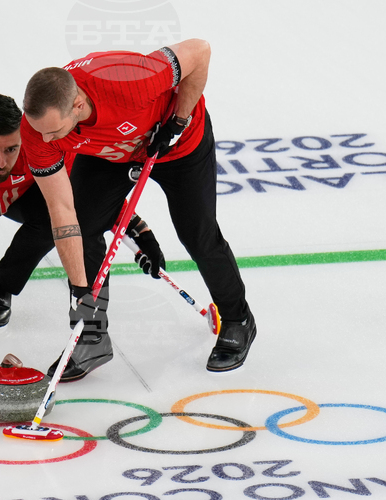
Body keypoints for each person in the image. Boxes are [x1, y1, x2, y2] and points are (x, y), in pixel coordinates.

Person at [20, 39, 254, 379]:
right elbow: (61, 210)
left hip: (177, 146)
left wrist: (178, 121)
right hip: (110, 153)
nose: (45, 142)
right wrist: (81, 292)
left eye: (54, 132)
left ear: (79, 104)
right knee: (84, 226)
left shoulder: (128, 79)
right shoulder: (38, 132)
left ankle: (237, 319)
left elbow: (200, 51)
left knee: (197, 233)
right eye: (40, 132)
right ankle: (92, 335)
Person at [0, 94, 165, 382]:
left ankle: (2, 285)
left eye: (11, 149)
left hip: (18, 198)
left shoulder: (37, 145)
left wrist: (138, 228)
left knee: (66, 215)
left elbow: (85, 200)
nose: (1, 162)